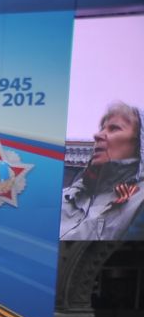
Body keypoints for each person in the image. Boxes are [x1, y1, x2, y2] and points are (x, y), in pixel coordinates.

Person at [60, 100, 144, 241]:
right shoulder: (65, 196)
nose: (97, 136)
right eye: (102, 129)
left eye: (114, 128)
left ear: (139, 144)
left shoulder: (139, 202)